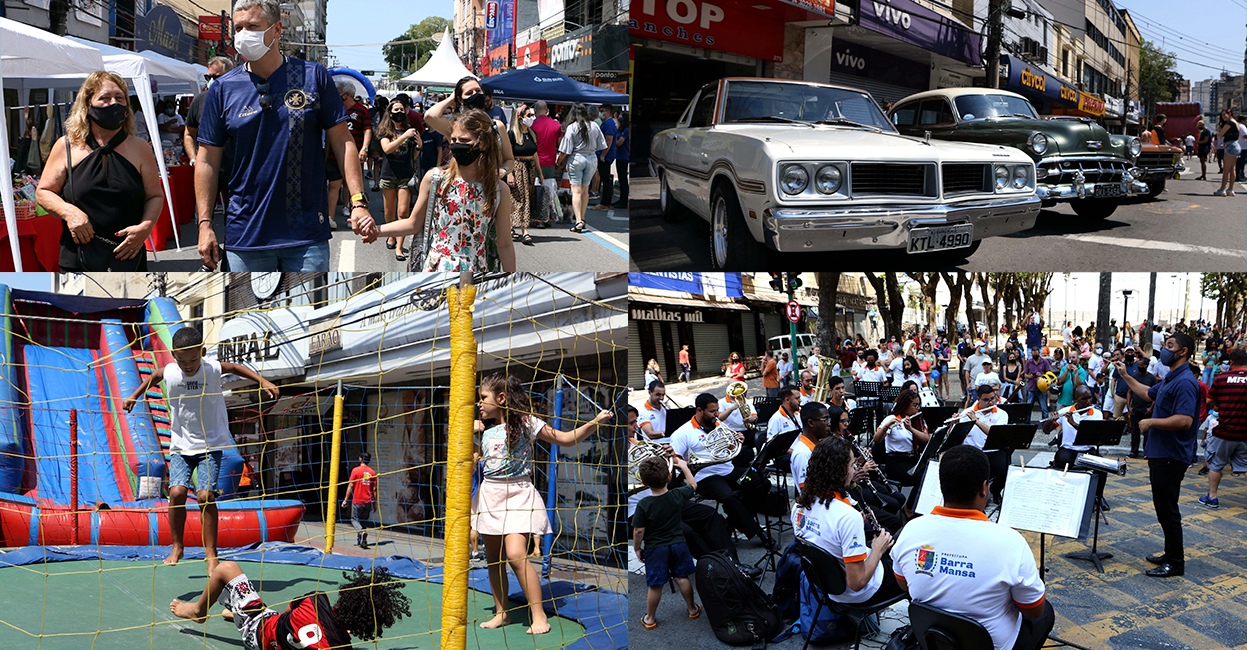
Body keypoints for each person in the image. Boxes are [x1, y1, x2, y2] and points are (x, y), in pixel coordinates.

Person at [195, 0, 374, 271]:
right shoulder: (222, 89)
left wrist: (358, 201)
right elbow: (207, 160)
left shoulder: (314, 77)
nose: (244, 34)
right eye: (239, 27)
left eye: (253, 26)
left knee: (310, 311)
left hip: (305, 235)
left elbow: (342, 141)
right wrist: (205, 224)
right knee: (247, 312)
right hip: (246, 236)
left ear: (277, 29)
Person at [123, 327, 279, 570]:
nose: (188, 365)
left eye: (194, 359)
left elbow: (236, 368)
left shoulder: (211, 368)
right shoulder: (171, 371)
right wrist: (135, 395)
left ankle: (211, 552)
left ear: (203, 352)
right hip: (181, 446)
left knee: (206, 496)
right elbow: (153, 376)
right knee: (176, 493)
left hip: (210, 444)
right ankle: (177, 545)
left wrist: (264, 381)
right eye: (182, 359)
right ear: (174, 355)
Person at [474, 373, 611, 633]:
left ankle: (539, 616)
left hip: (519, 493)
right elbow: (477, 461)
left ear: (501, 398)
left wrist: (594, 421)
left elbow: (566, 438)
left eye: (483, 398)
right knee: (493, 559)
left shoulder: (528, 423)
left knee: (515, 554)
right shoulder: (485, 429)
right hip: (490, 494)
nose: (479, 403)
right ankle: (502, 613)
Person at [892, 445, 1053, 650]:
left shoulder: (910, 530)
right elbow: (1034, 610)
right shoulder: (1010, 541)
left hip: (934, 640)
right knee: (1046, 612)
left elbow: (904, 584)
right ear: (984, 488)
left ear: (942, 486)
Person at [35, 71, 164, 272]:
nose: (114, 103)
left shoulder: (140, 148)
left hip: (128, 256)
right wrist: (69, 212)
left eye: (120, 98)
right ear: (87, 105)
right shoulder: (66, 147)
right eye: (104, 98)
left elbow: (155, 196)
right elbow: (43, 192)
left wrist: (145, 228)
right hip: (78, 258)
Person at [366, 109, 516, 271]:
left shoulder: (498, 190)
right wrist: (375, 230)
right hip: (437, 269)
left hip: (477, 272)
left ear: (484, 143)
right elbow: (413, 224)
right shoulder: (435, 178)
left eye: (464, 140)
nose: (457, 144)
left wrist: (512, 282)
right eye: (453, 139)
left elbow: (505, 244)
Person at [1114, 332, 1200, 577]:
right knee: (1163, 507)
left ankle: (1175, 562)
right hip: (1162, 453)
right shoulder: (1172, 378)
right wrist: (1125, 375)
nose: (1165, 348)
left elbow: (1184, 420)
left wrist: (1152, 422)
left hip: (1172, 454)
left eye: (1170, 345)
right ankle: (1170, 552)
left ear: (1183, 351)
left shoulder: (1184, 382)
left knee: (1168, 509)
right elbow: (1146, 393)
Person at [170, 561, 409, 648]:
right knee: (266, 615)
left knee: (226, 568)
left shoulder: (316, 601)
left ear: (347, 595)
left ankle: (197, 611)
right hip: (272, 636)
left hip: (258, 629)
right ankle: (235, 613)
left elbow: (288, 612)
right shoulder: (340, 645)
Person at [793, 436, 903, 607]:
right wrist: (877, 549)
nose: (854, 470)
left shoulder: (799, 506)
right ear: (840, 471)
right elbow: (857, 582)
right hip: (859, 593)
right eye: (852, 465)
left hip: (827, 586)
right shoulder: (846, 516)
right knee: (909, 567)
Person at [670, 393, 770, 548]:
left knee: (761, 482)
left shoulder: (719, 425)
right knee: (729, 497)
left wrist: (737, 440)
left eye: (717, 410)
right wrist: (685, 463)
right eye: (712, 411)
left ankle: (732, 523)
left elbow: (729, 448)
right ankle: (758, 532)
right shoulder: (682, 433)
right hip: (705, 476)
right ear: (699, 410)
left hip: (728, 469)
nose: (716, 414)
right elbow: (674, 459)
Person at [633, 455, 702, 630]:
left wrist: (637, 548)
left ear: (644, 482)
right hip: (678, 543)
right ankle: (692, 609)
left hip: (655, 548)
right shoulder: (677, 494)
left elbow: (638, 530)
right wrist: (684, 467)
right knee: (681, 577)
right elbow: (693, 486)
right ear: (669, 477)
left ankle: (650, 618)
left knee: (655, 585)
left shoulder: (643, 504)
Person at [1201, 349, 1247, 509]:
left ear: (1232, 363)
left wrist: (1221, 405)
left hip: (1225, 432)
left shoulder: (1221, 378)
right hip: (1245, 433)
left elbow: (1209, 400)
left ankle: (1212, 497)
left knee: (1216, 465)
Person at [374, 97, 419, 261]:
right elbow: (387, 149)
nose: (400, 112)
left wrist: (419, 145)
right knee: (389, 213)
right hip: (388, 175)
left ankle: (399, 247)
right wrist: (403, 136)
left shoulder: (410, 129)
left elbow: (412, 155)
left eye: (402, 109)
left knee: (403, 212)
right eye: (397, 110)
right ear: (390, 113)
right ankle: (391, 235)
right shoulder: (384, 131)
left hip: (405, 176)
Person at [326, 82, 373, 229]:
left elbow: (367, 130)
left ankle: (354, 214)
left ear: (347, 94)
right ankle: (330, 218)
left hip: (354, 155)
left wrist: (364, 148)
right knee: (334, 185)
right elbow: (328, 135)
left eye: (339, 92)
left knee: (352, 186)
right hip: (334, 155)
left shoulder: (362, 111)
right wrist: (325, 153)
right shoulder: (335, 109)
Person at [554, 104, 606, 233]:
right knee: (585, 190)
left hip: (576, 159)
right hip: (591, 159)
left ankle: (578, 221)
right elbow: (601, 145)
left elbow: (565, 149)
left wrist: (559, 160)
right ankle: (582, 218)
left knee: (576, 191)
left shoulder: (572, 127)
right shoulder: (594, 125)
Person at [873, 389, 929, 484]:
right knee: (921, 480)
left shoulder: (918, 419)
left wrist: (911, 429)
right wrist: (886, 427)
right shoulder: (892, 418)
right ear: (905, 405)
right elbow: (876, 439)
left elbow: (926, 439)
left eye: (919, 405)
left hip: (913, 459)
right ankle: (913, 499)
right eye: (915, 405)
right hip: (896, 462)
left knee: (931, 476)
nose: (918, 408)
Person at [1046, 385, 1104, 474]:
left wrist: (1073, 423)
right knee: (1062, 461)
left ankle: (1096, 487)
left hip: (1087, 449)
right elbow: (1046, 430)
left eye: (1090, 398)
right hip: (1068, 449)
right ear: (1076, 399)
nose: (1088, 402)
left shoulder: (1097, 414)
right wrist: (1050, 421)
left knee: (1102, 466)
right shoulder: (1065, 411)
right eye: (1084, 399)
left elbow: (1092, 435)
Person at [508, 104, 543, 244]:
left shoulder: (532, 133)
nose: (531, 118)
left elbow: (535, 155)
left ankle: (511, 226)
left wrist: (540, 173)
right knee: (521, 200)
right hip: (518, 168)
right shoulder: (512, 134)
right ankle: (524, 230)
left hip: (530, 169)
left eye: (532, 115)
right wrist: (509, 173)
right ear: (520, 117)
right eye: (529, 115)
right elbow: (508, 155)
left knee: (525, 198)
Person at [340, 452, 378, 548]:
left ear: (360, 459)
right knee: (363, 521)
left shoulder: (355, 470)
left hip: (357, 500)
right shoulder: (372, 472)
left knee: (354, 519)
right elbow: (374, 489)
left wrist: (345, 499)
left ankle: (361, 532)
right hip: (368, 501)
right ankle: (361, 540)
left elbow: (351, 485)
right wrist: (375, 502)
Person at [1126, 358, 1157, 459]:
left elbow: (1155, 395)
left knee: (1147, 432)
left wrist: (1151, 407)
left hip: (1146, 408)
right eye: (1138, 365)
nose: (1140, 367)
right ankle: (1133, 451)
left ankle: (1146, 452)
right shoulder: (1134, 377)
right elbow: (1129, 391)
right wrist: (1128, 406)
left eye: (1142, 365)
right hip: (1135, 407)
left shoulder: (1152, 378)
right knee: (1134, 431)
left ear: (1147, 366)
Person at [591, 104, 618, 210]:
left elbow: (609, 140)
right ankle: (606, 202)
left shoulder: (609, 124)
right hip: (604, 154)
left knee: (605, 179)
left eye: (602, 111)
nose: (600, 113)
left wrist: (603, 155)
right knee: (605, 178)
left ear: (608, 112)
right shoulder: (606, 123)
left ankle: (605, 202)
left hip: (605, 156)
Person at [530, 100, 563, 182]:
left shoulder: (531, 125)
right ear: (547, 111)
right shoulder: (556, 125)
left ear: (535, 111)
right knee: (548, 191)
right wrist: (560, 162)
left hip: (534, 163)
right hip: (550, 163)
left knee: (534, 191)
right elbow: (561, 145)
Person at [1215, 110, 1241, 196]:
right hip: (1236, 145)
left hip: (1230, 146)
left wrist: (1217, 133)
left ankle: (1222, 189)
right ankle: (1230, 189)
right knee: (1232, 169)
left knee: (1226, 170)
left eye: (1224, 115)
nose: (1223, 117)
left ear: (1230, 114)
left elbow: (1221, 134)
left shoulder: (1229, 123)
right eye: (1222, 115)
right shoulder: (1236, 123)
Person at [1023, 346, 1052, 420]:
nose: (1035, 355)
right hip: (1031, 388)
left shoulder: (1044, 361)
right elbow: (1025, 374)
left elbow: (1049, 374)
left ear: (1039, 353)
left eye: (1036, 354)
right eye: (1033, 354)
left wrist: (1041, 375)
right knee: (1028, 408)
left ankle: (1045, 425)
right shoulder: (1029, 362)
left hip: (1042, 388)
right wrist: (1032, 376)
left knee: (1044, 409)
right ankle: (1027, 424)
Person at [637, 380, 670, 444]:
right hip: (655, 445)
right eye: (658, 395)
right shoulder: (642, 411)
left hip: (671, 442)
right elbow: (650, 434)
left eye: (663, 395)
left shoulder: (666, 408)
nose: (661, 398)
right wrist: (669, 432)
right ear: (649, 392)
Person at [613, 112, 629, 209]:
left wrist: (613, 143)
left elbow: (619, 143)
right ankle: (621, 199)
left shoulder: (626, 130)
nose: (619, 118)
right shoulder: (621, 129)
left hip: (624, 156)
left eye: (621, 117)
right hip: (619, 156)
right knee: (621, 178)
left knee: (623, 180)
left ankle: (624, 201)